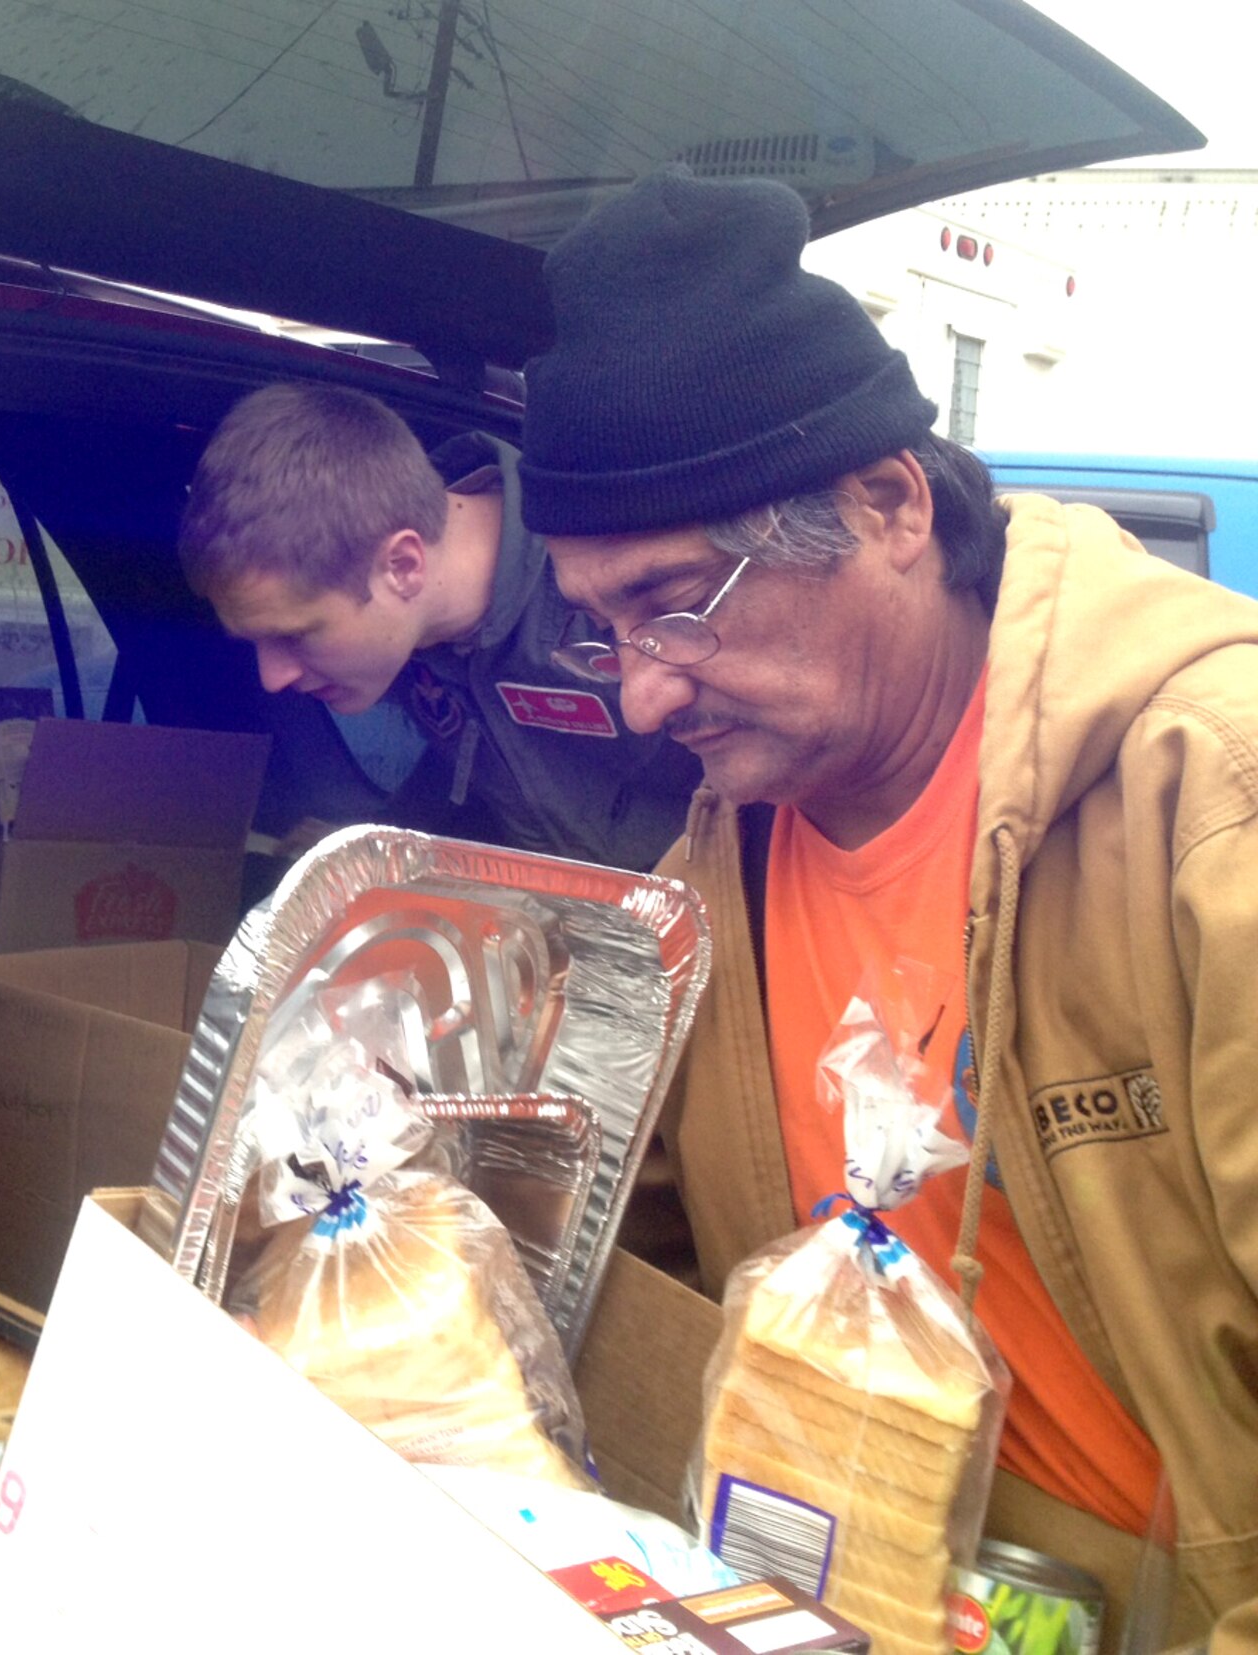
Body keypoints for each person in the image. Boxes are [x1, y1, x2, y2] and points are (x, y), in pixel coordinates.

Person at [516, 167, 1258, 1644]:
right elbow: (623, 1280)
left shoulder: (1210, 802)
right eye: (602, 632)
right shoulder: (706, 884)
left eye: (678, 602)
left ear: (890, 504)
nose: (646, 689)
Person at [176, 380, 700, 871]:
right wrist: (381, 845)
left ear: (402, 566)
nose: (272, 677)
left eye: (294, 635)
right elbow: (476, 771)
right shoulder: (412, 636)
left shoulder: (610, 579)